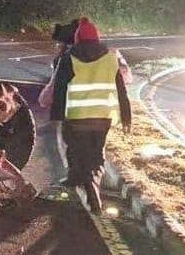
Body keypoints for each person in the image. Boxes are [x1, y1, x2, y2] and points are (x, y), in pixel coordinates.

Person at [46, 17, 132, 213]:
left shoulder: (69, 58)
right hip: (103, 119)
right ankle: (84, 177)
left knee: (76, 150)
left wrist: (56, 116)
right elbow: (121, 90)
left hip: (76, 118)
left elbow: (60, 90)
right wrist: (126, 117)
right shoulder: (110, 58)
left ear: (77, 38)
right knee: (96, 153)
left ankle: (87, 183)